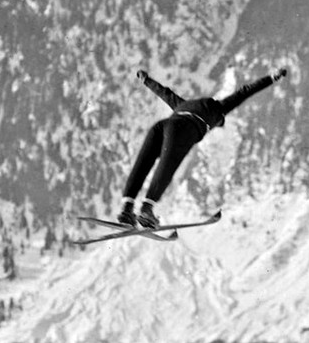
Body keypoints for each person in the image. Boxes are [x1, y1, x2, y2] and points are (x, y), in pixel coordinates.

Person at [119, 67, 287, 228]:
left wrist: (146, 80)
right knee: (167, 166)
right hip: (182, 130)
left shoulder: (182, 104)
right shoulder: (221, 109)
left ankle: (127, 208)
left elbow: (164, 92)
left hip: (162, 125)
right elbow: (245, 91)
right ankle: (146, 209)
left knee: (143, 163)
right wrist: (272, 78)